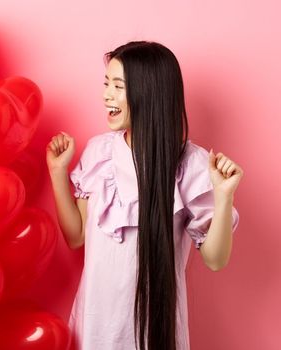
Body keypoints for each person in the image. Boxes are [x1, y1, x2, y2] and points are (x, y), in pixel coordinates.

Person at [45, 41, 243, 350]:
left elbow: (215, 260)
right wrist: (58, 173)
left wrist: (224, 195)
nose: (106, 95)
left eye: (118, 86)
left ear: (148, 93)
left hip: (154, 333)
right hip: (95, 327)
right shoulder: (99, 152)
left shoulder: (190, 165)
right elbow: (76, 236)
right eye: (106, 84)